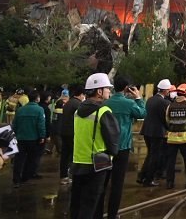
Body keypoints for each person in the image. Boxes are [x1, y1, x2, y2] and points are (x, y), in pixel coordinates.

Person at [69, 73, 120, 219]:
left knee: (77, 203)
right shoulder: (104, 111)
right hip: (98, 162)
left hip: (78, 162)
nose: (109, 91)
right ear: (99, 91)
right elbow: (113, 139)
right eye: (107, 89)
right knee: (91, 203)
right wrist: (111, 153)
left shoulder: (78, 111)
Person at [97, 76, 145, 219]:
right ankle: (113, 214)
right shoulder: (129, 103)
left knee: (101, 182)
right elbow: (142, 113)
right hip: (122, 147)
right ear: (126, 88)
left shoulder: (105, 103)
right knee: (117, 184)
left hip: (104, 148)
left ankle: (97, 213)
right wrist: (138, 98)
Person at [137, 78, 172, 187]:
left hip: (147, 130)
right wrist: (169, 128)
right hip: (157, 132)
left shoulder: (150, 99)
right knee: (154, 156)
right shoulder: (163, 102)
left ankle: (142, 176)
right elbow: (164, 118)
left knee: (150, 154)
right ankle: (149, 179)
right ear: (165, 90)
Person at [164, 83, 186, 189]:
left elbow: (167, 121)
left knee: (170, 162)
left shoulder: (169, 106)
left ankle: (170, 182)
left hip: (172, 139)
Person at [12, 89, 46, 187]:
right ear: (37, 99)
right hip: (33, 139)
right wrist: (42, 136)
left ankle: (16, 180)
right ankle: (25, 178)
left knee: (19, 160)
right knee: (31, 160)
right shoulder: (39, 110)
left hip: (20, 138)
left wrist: (16, 134)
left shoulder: (20, 109)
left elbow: (15, 125)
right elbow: (41, 125)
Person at [60, 86, 86, 184]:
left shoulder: (68, 103)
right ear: (81, 94)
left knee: (64, 155)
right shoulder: (78, 104)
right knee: (74, 155)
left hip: (64, 132)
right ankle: (75, 175)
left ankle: (63, 176)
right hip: (73, 133)